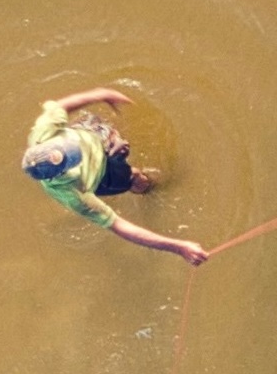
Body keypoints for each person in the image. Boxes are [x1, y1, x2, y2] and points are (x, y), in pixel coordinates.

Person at [23, 87, 208, 264]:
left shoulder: (41, 134)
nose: (74, 148)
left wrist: (100, 94)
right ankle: (148, 187)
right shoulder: (74, 195)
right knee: (139, 182)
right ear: (62, 172)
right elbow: (120, 227)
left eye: (65, 147)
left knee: (105, 132)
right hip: (103, 175)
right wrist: (179, 248)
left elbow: (60, 106)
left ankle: (114, 149)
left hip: (90, 133)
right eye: (73, 156)